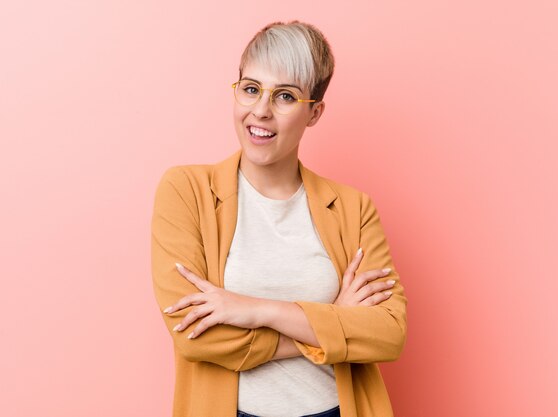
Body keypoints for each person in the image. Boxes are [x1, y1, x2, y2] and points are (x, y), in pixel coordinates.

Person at [151, 20, 408, 417]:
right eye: (251, 89)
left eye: (285, 96)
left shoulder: (353, 208)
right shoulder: (186, 190)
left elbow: (389, 334)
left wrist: (257, 309)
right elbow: (194, 336)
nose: (261, 111)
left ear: (315, 113)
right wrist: (332, 322)